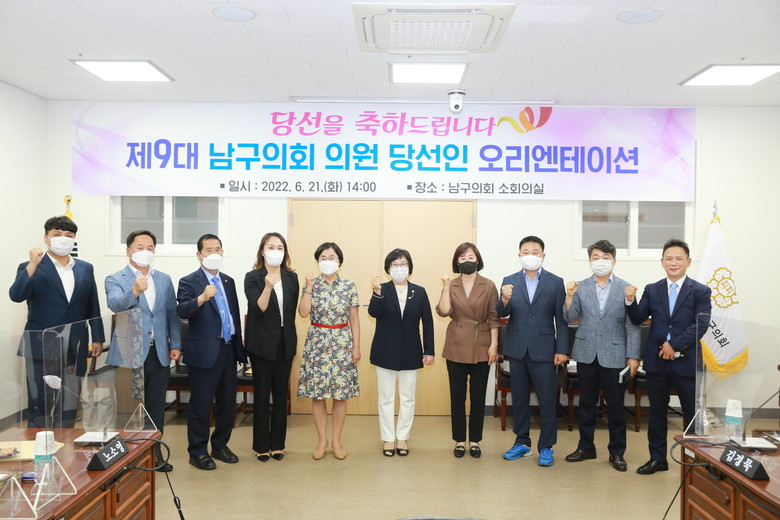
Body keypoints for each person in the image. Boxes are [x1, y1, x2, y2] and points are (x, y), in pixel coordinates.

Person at [625, 238, 711, 475]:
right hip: (657, 362)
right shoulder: (653, 289)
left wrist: (673, 345)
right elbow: (638, 317)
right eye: (669, 258)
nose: (674, 263)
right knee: (656, 413)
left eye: (679, 258)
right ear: (662, 262)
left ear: (688, 261)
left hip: (687, 361)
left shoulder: (701, 291)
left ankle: (695, 461)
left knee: (691, 414)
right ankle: (657, 459)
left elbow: (700, 325)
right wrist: (630, 301)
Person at [10, 216, 105, 428]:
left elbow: (93, 304)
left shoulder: (85, 268)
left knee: (69, 403)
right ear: (46, 238)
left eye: (68, 235)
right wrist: (33, 264)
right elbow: (16, 295)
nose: (63, 239)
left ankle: (66, 445)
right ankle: (38, 446)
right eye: (57, 234)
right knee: (40, 404)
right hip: (41, 345)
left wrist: (97, 337)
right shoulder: (30, 266)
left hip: (75, 345)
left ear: (74, 239)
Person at [105, 230, 181, 472]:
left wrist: (175, 344)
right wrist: (134, 291)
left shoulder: (164, 279)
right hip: (129, 354)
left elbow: (171, 314)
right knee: (129, 409)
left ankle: (154, 455)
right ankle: (127, 460)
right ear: (128, 251)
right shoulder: (115, 278)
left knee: (156, 408)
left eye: (150, 247)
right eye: (140, 247)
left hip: (159, 352)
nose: (145, 251)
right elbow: (114, 305)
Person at [562, 239, 640, 472]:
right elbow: (569, 318)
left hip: (615, 354)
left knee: (616, 406)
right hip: (586, 353)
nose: (600, 261)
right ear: (589, 260)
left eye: (605, 257)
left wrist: (633, 356)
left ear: (614, 261)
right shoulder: (580, 287)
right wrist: (569, 296)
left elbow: (633, 325)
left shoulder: (626, 288)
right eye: (596, 257)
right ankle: (586, 447)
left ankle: (617, 452)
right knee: (586, 403)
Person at [497, 235, 569, 467]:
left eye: (535, 252)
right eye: (526, 252)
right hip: (517, 349)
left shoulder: (555, 282)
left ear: (543, 256)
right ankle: (522, 442)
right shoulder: (509, 281)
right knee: (519, 399)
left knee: (547, 400)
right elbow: (501, 313)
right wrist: (504, 299)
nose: (530, 255)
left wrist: (562, 349)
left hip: (545, 350)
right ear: (519, 255)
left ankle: (546, 446)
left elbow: (562, 320)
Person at [177, 233, 246, 471]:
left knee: (227, 403)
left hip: (228, 350)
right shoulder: (189, 281)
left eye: (218, 249)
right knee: (201, 404)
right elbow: (182, 310)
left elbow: (234, 315)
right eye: (209, 250)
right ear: (199, 255)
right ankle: (197, 452)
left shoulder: (228, 281)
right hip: (204, 353)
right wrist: (202, 298)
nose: (214, 253)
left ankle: (220, 445)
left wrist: (239, 349)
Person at [297, 242, 360, 460]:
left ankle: (337, 441)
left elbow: (354, 319)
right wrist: (308, 287)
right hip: (317, 344)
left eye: (332, 257)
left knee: (341, 396)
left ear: (339, 261)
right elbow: (303, 313)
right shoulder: (311, 284)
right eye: (323, 258)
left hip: (342, 343)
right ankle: (322, 440)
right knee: (318, 395)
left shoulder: (349, 286)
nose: (328, 261)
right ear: (317, 261)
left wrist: (356, 347)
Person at [436, 242, 500, 459]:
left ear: (478, 260)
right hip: (456, 344)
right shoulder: (451, 284)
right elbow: (444, 311)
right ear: (457, 262)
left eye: (470, 257)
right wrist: (445, 287)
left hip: (482, 343)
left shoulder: (488, 285)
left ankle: (474, 440)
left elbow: (494, 318)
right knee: (457, 396)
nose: (467, 261)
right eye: (462, 258)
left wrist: (493, 346)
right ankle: (459, 440)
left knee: (478, 396)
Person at [369, 248, 435, 457]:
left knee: (408, 398)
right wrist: (376, 292)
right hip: (384, 350)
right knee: (385, 398)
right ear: (388, 268)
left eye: (403, 264)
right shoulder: (382, 289)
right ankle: (388, 438)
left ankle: (402, 437)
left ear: (410, 267)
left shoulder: (420, 292)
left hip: (411, 351)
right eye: (395, 264)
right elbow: (373, 313)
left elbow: (428, 323)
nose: (399, 268)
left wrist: (429, 350)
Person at [244, 232, 299, 462]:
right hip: (261, 345)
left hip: (285, 343)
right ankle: (261, 446)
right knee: (261, 397)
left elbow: (291, 311)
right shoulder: (252, 277)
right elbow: (258, 310)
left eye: (280, 247)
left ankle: (278, 444)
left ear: (284, 252)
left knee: (280, 396)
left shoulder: (291, 277)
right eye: (271, 247)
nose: (275, 251)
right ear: (262, 251)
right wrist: (267, 287)